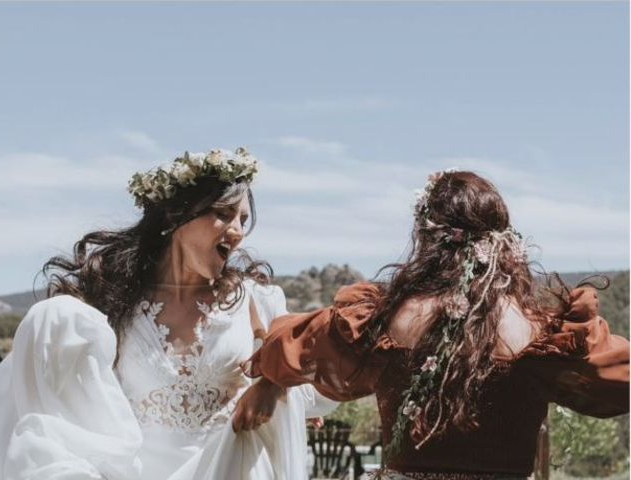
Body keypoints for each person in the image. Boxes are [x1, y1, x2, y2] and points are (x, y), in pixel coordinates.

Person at [238, 170, 630, 480]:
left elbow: (289, 347)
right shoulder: (539, 331)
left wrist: (269, 382)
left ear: (426, 238)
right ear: (504, 242)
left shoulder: (384, 319)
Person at [0, 148, 333, 480]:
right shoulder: (111, 302)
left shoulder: (256, 300)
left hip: (230, 466)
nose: (238, 230)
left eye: (243, 219)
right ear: (175, 216)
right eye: (224, 214)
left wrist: (274, 385)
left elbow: (316, 372)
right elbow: (71, 396)